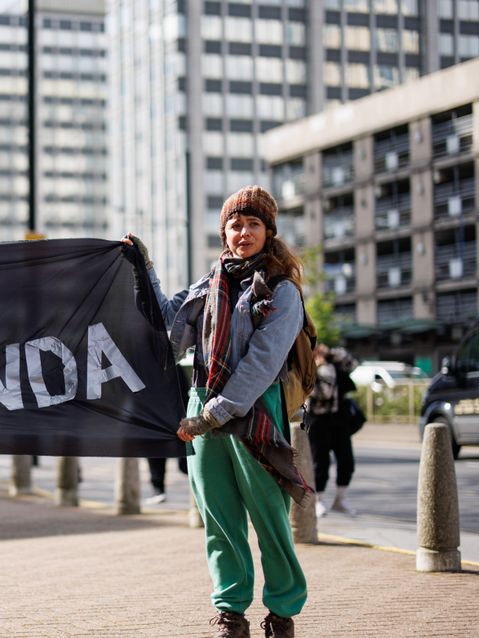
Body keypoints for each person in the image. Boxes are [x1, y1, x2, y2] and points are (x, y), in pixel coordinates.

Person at [124, 185, 311, 638]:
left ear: (268, 231)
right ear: (224, 231)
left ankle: (282, 614)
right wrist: (143, 269)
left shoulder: (282, 291)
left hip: (252, 410)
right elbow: (167, 323)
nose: (243, 232)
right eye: (235, 224)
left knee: (270, 520)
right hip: (202, 401)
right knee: (220, 520)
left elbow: (263, 361)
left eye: (253, 224)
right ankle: (231, 614)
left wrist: (214, 414)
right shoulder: (211, 283)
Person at [305, 344, 359, 517]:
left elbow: (352, 363)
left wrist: (331, 354)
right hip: (317, 420)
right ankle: (318, 500)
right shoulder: (307, 366)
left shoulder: (333, 361)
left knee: (347, 460)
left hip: (339, 419)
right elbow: (322, 393)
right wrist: (318, 367)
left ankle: (340, 499)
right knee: (320, 463)